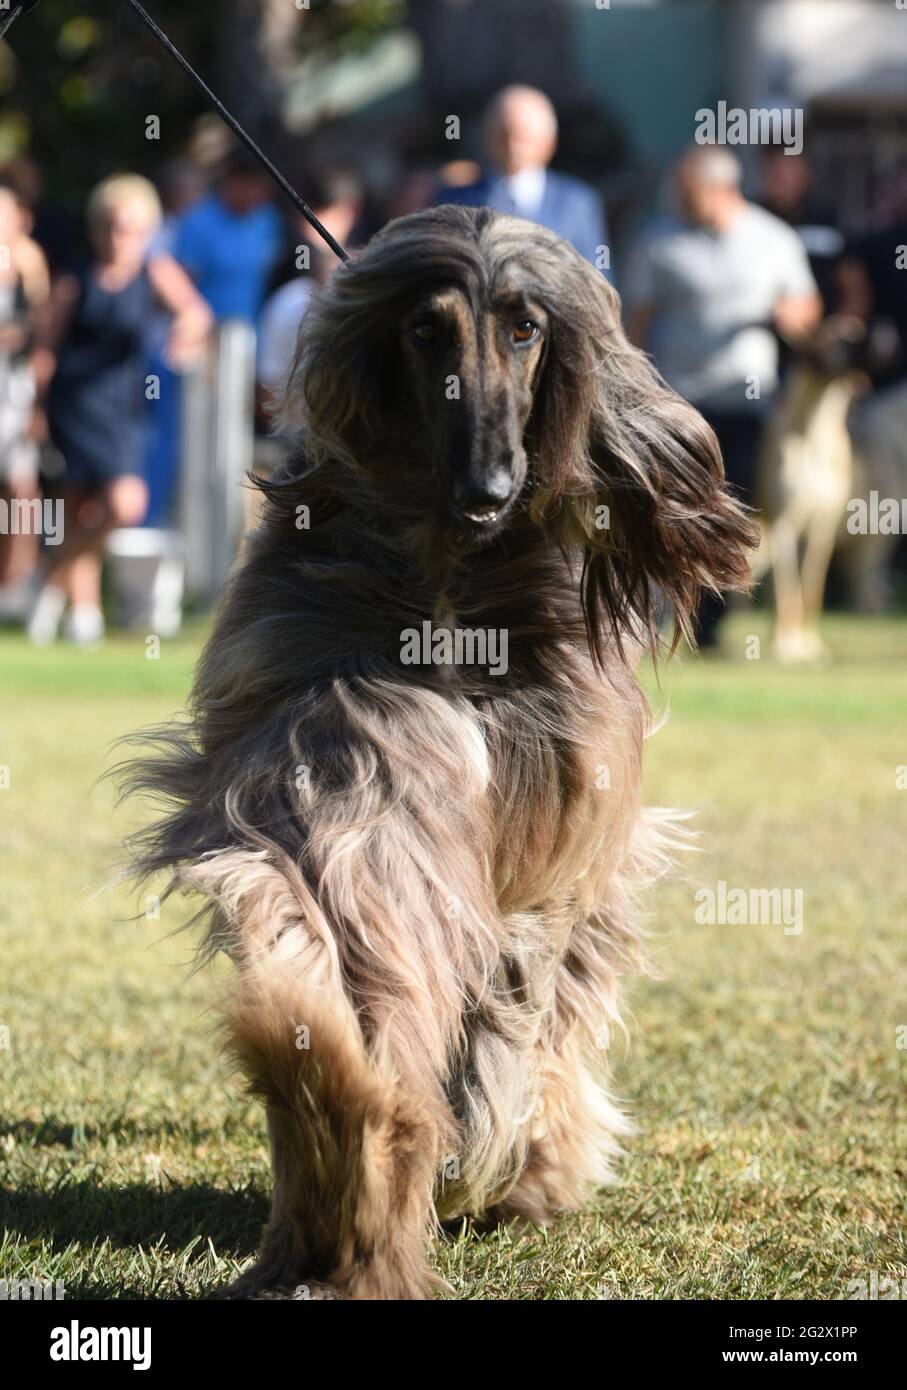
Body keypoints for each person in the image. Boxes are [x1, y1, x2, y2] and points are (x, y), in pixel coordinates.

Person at [623, 146, 821, 647]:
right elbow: (637, 324)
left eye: (690, 193)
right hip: (679, 406)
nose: (681, 202)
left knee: (735, 514)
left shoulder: (773, 239)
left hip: (748, 405)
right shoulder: (660, 238)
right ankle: (665, 616)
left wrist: (790, 316)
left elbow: (807, 308)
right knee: (674, 513)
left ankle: (711, 625)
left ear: (721, 190)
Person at [27, 174, 211, 646]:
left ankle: (48, 578)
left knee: (123, 504)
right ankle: (84, 614)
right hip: (74, 403)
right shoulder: (77, 278)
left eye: (129, 228)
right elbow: (46, 348)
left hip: (123, 404)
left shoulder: (153, 270)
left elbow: (196, 314)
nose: (119, 238)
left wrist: (181, 338)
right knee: (77, 506)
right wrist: (37, 406)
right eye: (111, 227)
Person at [439, 85, 609, 270]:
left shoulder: (578, 202)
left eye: (522, 137)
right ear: (487, 138)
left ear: (548, 142)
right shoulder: (455, 200)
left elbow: (599, 274)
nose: (513, 146)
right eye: (503, 135)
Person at [257, 167, 362, 398]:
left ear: (351, 210)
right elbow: (267, 391)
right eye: (308, 210)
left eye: (323, 210)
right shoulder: (286, 289)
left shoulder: (370, 282)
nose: (308, 226)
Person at [0, 177, 50, 613]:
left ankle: (17, 581)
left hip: (13, 391)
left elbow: (39, 331)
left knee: (21, 488)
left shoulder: (28, 262)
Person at [172, 149, 282, 324]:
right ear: (234, 181)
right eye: (254, 185)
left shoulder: (268, 220)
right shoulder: (197, 222)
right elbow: (182, 285)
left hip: (253, 335)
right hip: (207, 336)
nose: (260, 194)